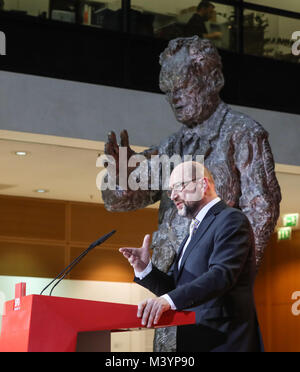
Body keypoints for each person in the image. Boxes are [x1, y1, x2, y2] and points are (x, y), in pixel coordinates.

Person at [102, 36, 281, 351]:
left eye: (182, 87)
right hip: (175, 305)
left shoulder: (243, 133)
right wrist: (119, 177)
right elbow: (120, 200)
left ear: (213, 80)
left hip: (217, 316)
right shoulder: (172, 147)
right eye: (168, 92)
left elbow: (261, 210)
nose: (175, 99)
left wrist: (231, 280)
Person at [119, 161, 263, 352]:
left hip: (226, 341)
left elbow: (221, 275)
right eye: (171, 190)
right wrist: (145, 269)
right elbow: (176, 288)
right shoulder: (194, 230)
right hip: (195, 340)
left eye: (179, 186)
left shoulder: (231, 219)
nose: (173, 196)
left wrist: (167, 301)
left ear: (203, 185)